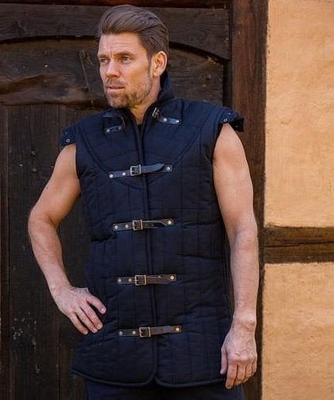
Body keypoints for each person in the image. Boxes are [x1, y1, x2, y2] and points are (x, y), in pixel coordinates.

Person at [28, 4, 259, 400]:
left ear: (157, 63)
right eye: (103, 60)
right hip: (115, 359)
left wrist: (244, 326)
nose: (109, 71)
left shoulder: (212, 130)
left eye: (124, 58)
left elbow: (243, 231)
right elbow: (41, 218)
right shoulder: (83, 141)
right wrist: (62, 290)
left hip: (204, 354)